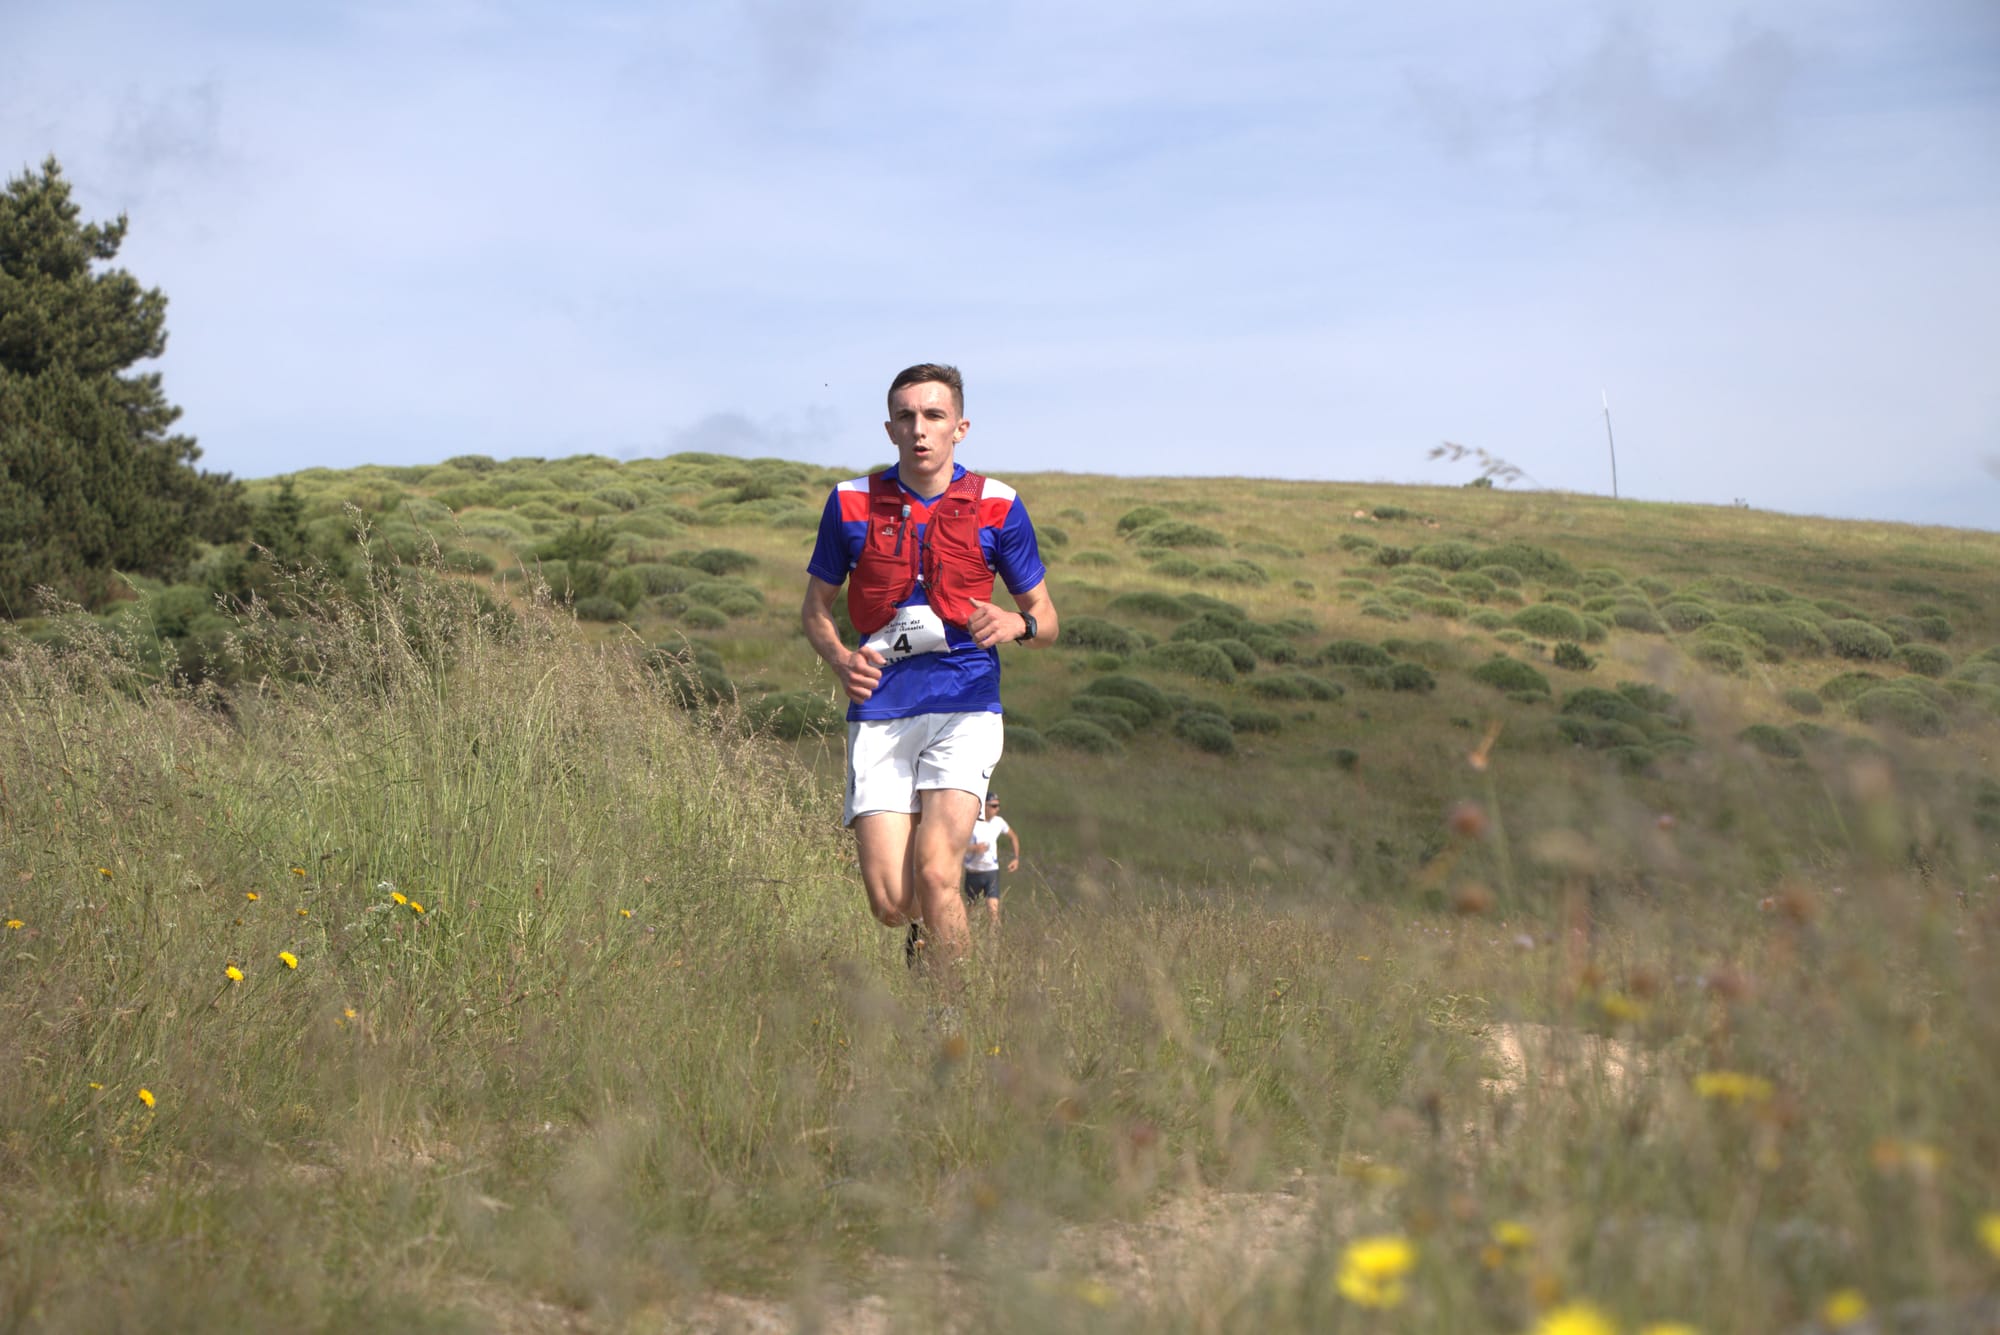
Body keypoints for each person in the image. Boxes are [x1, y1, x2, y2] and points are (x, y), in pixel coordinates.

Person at [800, 363, 1058, 971]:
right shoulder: (849, 503)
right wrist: (841, 659)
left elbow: (1046, 619)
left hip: (966, 705)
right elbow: (814, 611)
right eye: (907, 417)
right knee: (893, 901)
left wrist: (1016, 624)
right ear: (890, 428)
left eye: (934, 416)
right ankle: (928, 936)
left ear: (959, 427)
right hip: (882, 710)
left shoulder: (999, 505)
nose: (920, 430)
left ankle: (955, 1024)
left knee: (939, 871)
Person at [962, 792, 1020, 926]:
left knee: (993, 912)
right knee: (971, 914)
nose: (997, 809)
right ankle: (970, 941)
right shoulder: (971, 822)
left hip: (991, 872)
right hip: (973, 872)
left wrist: (1015, 858)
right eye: (993, 806)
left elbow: (1013, 837)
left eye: (998, 806)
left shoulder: (998, 822)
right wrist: (973, 848)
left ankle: (993, 944)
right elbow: (957, 846)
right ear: (984, 806)